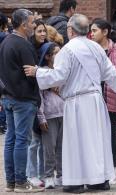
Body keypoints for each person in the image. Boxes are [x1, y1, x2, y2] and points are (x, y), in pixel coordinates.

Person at [24, 14, 116, 194]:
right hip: (95, 101)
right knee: (95, 141)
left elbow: (58, 76)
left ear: (70, 30)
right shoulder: (97, 48)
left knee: (76, 143)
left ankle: (75, 182)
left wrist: (38, 72)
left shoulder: (67, 50)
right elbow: (111, 73)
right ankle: (98, 180)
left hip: (77, 102)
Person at [0, 9, 44, 193]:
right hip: (23, 99)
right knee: (21, 140)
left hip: (8, 97)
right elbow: (31, 73)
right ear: (24, 24)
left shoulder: (5, 42)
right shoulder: (22, 45)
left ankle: (11, 182)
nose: (34, 25)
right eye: (33, 22)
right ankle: (20, 181)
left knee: (11, 139)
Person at [91, 18, 116, 184]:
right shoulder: (90, 49)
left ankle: (112, 169)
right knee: (94, 135)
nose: (91, 34)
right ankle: (98, 169)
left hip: (109, 97)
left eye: (94, 30)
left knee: (110, 133)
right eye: (90, 31)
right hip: (93, 96)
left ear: (105, 32)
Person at [38, 42, 63, 189]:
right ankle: (48, 176)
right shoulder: (42, 72)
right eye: (56, 53)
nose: (59, 55)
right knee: (49, 148)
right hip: (50, 115)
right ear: (48, 56)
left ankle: (61, 174)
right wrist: (41, 117)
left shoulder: (62, 71)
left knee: (62, 147)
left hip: (64, 113)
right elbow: (39, 97)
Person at [26, 19, 47, 187]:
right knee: (33, 142)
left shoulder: (47, 49)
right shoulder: (29, 49)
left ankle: (42, 173)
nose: (42, 34)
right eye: (39, 31)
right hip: (33, 98)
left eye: (44, 31)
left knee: (41, 141)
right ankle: (31, 174)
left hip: (45, 101)